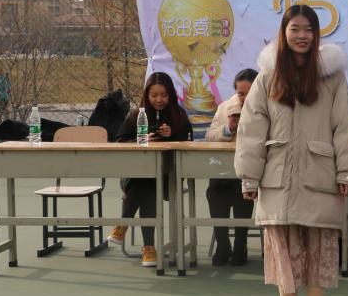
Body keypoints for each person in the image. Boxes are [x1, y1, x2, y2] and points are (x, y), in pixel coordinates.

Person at [236, 5, 348, 296]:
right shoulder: (267, 78)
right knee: (284, 253)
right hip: (277, 178)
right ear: (283, 32)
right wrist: (249, 177)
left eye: (308, 29)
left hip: (320, 176)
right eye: (295, 28)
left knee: (319, 253)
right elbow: (251, 130)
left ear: (316, 34)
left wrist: (346, 170)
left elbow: (344, 125)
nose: (302, 35)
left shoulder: (331, 79)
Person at [107, 72, 193, 267]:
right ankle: (148, 248)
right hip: (136, 175)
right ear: (147, 95)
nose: (159, 100)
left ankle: (123, 224)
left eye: (163, 95)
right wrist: (140, 140)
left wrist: (173, 134)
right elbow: (120, 141)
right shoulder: (137, 114)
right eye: (154, 95)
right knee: (147, 185)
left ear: (170, 95)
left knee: (149, 184)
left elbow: (188, 140)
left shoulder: (178, 115)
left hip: (168, 176)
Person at [204, 68, 259, 266]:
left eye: (250, 93)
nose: (245, 98)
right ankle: (223, 244)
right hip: (224, 168)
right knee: (214, 191)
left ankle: (240, 244)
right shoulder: (225, 107)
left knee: (242, 191)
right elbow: (209, 136)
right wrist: (228, 128)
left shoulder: (267, 107)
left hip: (251, 170)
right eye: (241, 93)